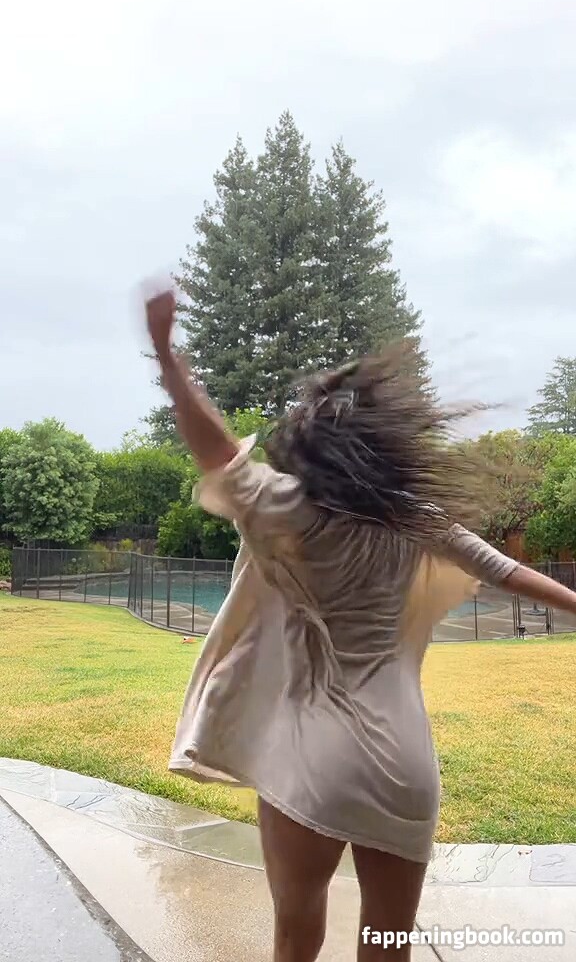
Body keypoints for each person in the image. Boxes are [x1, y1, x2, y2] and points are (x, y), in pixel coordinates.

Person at [145, 287, 576, 962]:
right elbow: (510, 572)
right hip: (404, 763)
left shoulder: (286, 511)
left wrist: (170, 361)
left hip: (309, 760)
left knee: (296, 937)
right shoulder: (419, 521)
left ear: (310, 449)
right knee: (388, 940)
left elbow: (220, 455)